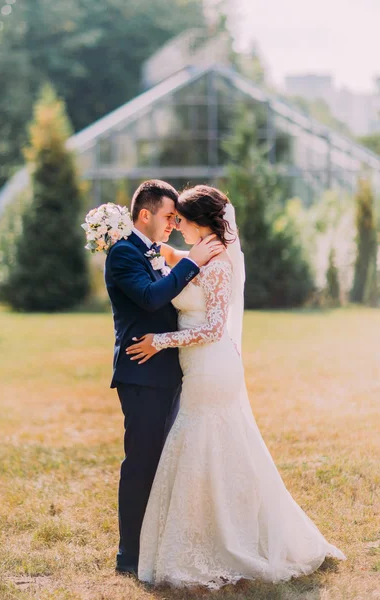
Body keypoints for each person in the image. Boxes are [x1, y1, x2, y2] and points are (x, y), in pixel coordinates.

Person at [126, 185, 346, 589]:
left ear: (201, 223)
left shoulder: (220, 262)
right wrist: (148, 250)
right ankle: (211, 533)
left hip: (212, 367)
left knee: (204, 446)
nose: (176, 227)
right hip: (198, 367)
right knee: (210, 449)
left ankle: (227, 539)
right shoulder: (199, 253)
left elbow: (212, 328)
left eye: (182, 221)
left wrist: (160, 342)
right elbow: (175, 262)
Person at [104, 180, 224, 576]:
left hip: (171, 371)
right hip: (141, 374)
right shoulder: (123, 253)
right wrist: (193, 262)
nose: (174, 223)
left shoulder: (155, 251)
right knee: (141, 463)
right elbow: (151, 298)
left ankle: (155, 545)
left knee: (163, 463)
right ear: (145, 215)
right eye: (169, 216)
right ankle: (129, 555)